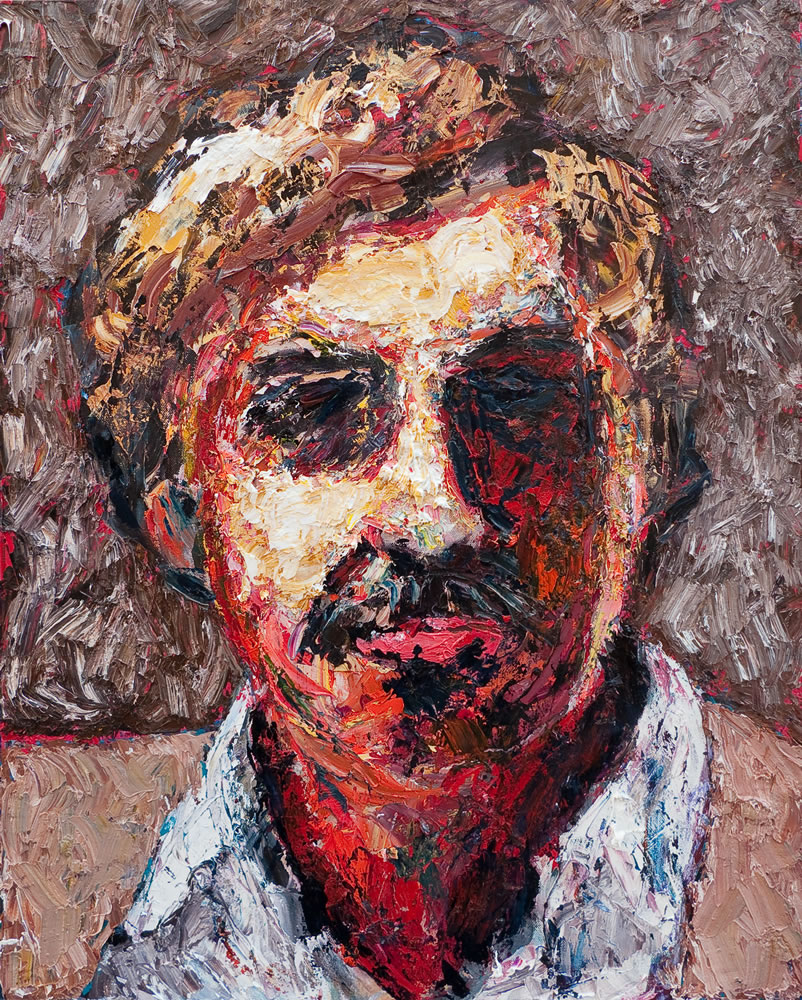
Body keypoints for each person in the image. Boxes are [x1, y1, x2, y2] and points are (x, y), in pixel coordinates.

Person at [67, 16, 711, 1000]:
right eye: (313, 413)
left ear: (644, 466)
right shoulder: (40, 882)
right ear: (180, 516)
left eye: (517, 401)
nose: (434, 514)